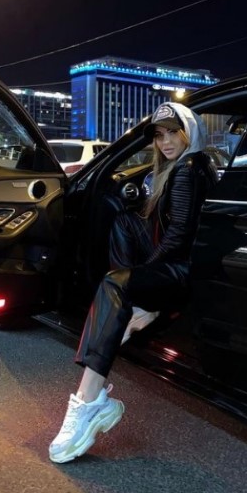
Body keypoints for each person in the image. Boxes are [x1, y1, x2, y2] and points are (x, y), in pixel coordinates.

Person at [49, 102, 218, 464]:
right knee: (125, 222)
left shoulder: (187, 169)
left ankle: (89, 401)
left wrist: (138, 278)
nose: (165, 142)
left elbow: (178, 238)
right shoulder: (191, 164)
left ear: (189, 133)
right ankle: (132, 304)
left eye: (173, 133)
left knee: (115, 283)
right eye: (159, 135)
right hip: (185, 263)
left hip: (183, 271)